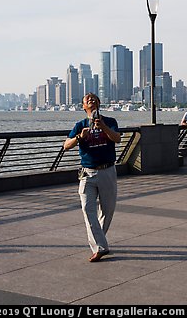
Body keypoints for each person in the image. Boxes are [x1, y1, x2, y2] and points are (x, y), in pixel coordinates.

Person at [63, 92, 121, 262]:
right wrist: (80, 137)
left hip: (107, 171)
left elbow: (117, 138)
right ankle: (100, 247)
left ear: (99, 104)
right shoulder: (80, 125)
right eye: (87, 100)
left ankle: (99, 242)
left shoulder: (110, 122)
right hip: (87, 173)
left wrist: (103, 127)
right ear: (83, 107)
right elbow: (66, 145)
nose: (91, 100)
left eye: (94, 99)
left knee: (107, 211)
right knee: (88, 210)